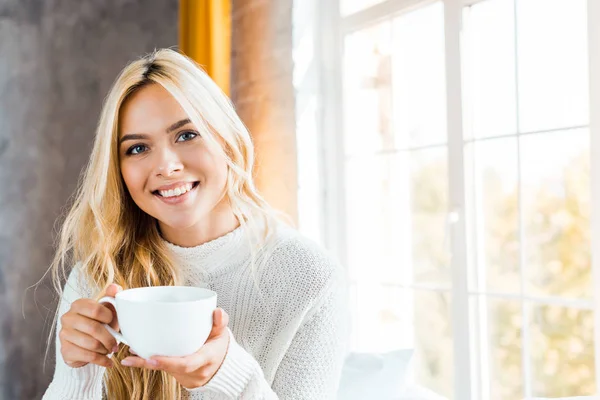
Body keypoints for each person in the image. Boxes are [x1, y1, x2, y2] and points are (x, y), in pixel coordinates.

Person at [42, 48, 349, 400]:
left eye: (186, 135)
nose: (167, 166)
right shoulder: (97, 276)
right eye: (138, 148)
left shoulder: (309, 277)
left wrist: (228, 375)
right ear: (119, 170)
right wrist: (79, 377)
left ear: (226, 139)